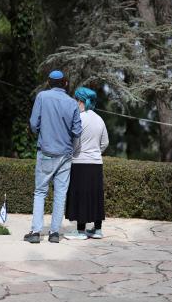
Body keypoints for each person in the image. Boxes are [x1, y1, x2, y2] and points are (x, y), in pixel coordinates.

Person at [24, 70, 82, 244]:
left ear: (49, 83)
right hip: (65, 154)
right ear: (65, 83)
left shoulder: (42, 97)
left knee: (40, 192)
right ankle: (54, 233)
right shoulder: (72, 103)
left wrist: (42, 131)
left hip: (46, 152)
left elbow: (34, 124)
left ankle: (35, 232)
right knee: (60, 193)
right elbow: (77, 131)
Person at [64, 87, 109, 240]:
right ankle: (97, 230)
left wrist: (74, 152)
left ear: (81, 101)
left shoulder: (79, 118)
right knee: (95, 195)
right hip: (96, 163)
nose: (75, 103)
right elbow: (105, 143)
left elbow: (75, 143)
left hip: (80, 162)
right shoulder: (100, 119)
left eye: (76, 100)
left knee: (80, 195)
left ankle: (81, 231)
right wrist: (96, 152)